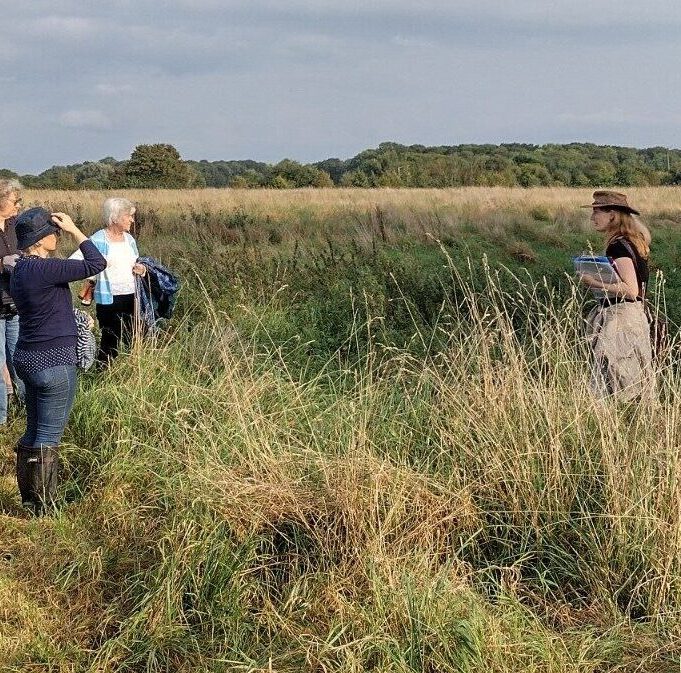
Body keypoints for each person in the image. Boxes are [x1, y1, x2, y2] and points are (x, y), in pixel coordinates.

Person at [11, 208, 106, 513]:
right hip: (53, 361)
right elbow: (96, 263)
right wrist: (77, 229)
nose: (58, 235)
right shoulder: (45, 269)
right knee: (49, 436)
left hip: (27, 356)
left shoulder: (20, 269)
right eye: (53, 231)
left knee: (33, 431)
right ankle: (46, 506)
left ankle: (29, 501)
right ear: (40, 241)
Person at [578, 190, 654, 401]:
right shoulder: (631, 242)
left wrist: (593, 281)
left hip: (622, 318)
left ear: (612, 215)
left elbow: (631, 290)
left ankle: (610, 425)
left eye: (596, 212)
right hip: (633, 315)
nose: (592, 218)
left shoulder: (618, 246)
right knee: (633, 377)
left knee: (612, 378)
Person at [70, 197, 146, 365]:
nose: (132, 220)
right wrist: (93, 269)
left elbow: (136, 261)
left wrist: (141, 269)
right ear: (115, 217)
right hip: (109, 299)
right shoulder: (98, 239)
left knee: (135, 336)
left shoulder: (129, 239)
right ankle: (103, 372)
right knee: (110, 339)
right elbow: (74, 261)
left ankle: (133, 371)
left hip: (132, 296)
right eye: (129, 216)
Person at [0, 178, 25, 422]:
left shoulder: (15, 224)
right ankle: (2, 419)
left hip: (15, 302)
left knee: (20, 357)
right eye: (15, 201)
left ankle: (26, 410)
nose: (18, 205)